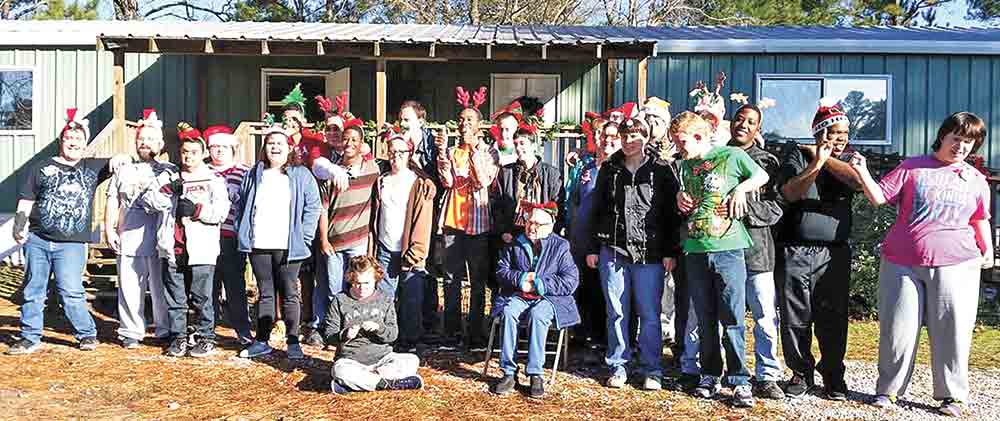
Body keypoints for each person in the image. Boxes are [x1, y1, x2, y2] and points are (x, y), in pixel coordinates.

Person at [850, 112, 993, 417]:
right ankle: (888, 391)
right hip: (902, 262)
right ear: (943, 136)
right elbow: (878, 197)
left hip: (959, 264)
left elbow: (980, 219)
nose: (961, 146)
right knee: (897, 329)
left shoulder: (976, 179)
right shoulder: (912, 167)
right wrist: (862, 171)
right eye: (956, 138)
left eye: (969, 142)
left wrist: (989, 253)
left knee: (953, 331)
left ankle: (952, 396)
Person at [6, 109, 121, 355]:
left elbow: (116, 161)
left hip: (71, 244)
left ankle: (87, 334)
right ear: (62, 141)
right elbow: (26, 200)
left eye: (79, 140)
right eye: (69, 139)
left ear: (85, 143)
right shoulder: (41, 167)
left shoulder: (92, 167)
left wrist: (122, 159)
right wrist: (19, 225)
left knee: (70, 290)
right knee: (33, 289)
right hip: (38, 240)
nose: (73, 143)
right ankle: (29, 336)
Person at [675, 111, 768, 407]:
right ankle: (710, 374)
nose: (679, 148)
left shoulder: (731, 155)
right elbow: (690, 197)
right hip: (696, 249)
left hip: (728, 248)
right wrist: (680, 197)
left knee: (732, 316)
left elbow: (761, 175)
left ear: (700, 137)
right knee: (704, 317)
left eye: (682, 142)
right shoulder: (686, 166)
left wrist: (741, 189)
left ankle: (740, 380)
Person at [776, 98, 863, 400]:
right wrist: (815, 162)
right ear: (819, 131)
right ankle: (800, 373)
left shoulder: (853, 161)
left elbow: (858, 184)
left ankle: (833, 376)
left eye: (844, 133)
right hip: (795, 249)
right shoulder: (796, 155)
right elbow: (790, 192)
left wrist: (824, 158)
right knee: (794, 316)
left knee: (833, 316)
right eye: (834, 132)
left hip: (834, 254)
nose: (840, 138)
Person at [586, 118, 681, 391]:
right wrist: (594, 248)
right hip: (613, 251)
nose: (630, 141)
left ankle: (652, 369)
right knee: (616, 311)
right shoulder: (610, 169)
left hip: (649, 253)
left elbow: (669, 215)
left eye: (636, 135)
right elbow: (597, 210)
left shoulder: (661, 169)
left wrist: (670, 251)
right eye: (626, 135)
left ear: (647, 137)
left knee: (650, 313)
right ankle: (618, 365)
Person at [142, 128, 230, 358]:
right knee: (176, 299)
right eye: (184, 152)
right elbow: (149, 201)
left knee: (202, 297)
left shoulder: (213, 180)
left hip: (201, 248)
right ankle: (178, 337)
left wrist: (197, 210)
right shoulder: (169, 177)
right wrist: (168, 191)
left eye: (193, 152)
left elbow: (221, 212)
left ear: (202, 154)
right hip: (173, 247)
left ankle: (205, 337)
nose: (188, 156)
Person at [236, 125, 321, 360]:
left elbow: (313, 206)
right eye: (270, 143)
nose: (274, 147)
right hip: (259, 243)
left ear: (289, 148)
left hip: (289, 246)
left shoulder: (301, 174)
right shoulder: (254, 173)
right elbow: (242, 204)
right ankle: (261, 340)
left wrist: (304, 237)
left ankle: (293, 342)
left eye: (279, 143)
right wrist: (243, 232)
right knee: (265, 293)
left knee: (290, 292)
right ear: (265, 147)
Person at [726, 104, 786, 399]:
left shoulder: (768, 163)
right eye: (739, 119)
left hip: (757, 250)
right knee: (727, 315)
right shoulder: (715, 157)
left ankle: (767, 374)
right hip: (722, 249)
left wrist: (742, 206)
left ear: (757, 129)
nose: (743, 125)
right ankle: (732, 371)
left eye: (751, 122)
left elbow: (776, 207)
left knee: (764, 316)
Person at [492, 203, 580, 398]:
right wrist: (521, 279)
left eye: (538, 224)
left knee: (538, 314)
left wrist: (540, 284)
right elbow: (501, 271)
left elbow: (570, 281)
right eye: (529, 222)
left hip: (549, 298)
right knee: (508, 312)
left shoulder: (561, 246)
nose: (531, 227)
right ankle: (508, 372)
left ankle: (535, 373)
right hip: (518, 295)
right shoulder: (516, 243)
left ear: (550, 226)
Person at [105, 109, 176, 349]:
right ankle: (131, 330)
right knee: (130, 285)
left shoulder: (169, 170)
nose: (145, 143)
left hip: (159, 238)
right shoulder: (124, 167)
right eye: (141, 139)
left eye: (150, 139)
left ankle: (164, 328)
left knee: (160, 286)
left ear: (161, 143)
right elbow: (112, 199)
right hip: (129, 236)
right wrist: (109, 229)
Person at [435, 86, 499, 351]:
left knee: (477, 282)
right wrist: (441, 155)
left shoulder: (489, 152)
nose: (463, 124)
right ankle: (450, 332)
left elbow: (483, 180)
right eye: (461, 120)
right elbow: (447, 181)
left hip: (478, 224)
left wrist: (474, 152)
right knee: (451, 279)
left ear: (479, 125)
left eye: (469, 120)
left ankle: (474, 334)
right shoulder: (452, 151)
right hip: (453, 222)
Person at [306, 125, 382, 346]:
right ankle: (333, 331)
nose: (349, 144)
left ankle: (356, 332)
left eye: (354, 140)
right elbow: (323, 208)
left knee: (358, 287)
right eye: (345, 140)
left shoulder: (371, 170)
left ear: (361, 144)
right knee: (332, 289)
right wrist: (323, 239)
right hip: (334, 241)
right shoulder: (332, 172)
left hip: (358, 241)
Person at [370, 134, 436, 351]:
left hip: (410, 249)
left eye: (401, 152)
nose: (396, 156)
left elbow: (423, 221)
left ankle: (410, 340)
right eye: (392, 152)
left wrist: (416, 253)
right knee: (385, 296)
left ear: (409, 155)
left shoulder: (418, 183)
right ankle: (386, 337)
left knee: (411, 297)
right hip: (385, 247)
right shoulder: (381, 180)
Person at [324, 255, 424, 394]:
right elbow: (329, 335)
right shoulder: (339, 300)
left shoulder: (385, 299)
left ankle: (355, 385)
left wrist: (379, 328)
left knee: (412, 360)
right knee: (339, 370)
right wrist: (345, 334)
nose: (362, 288)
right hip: (351, 360)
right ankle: (386, 384)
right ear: (351, 279)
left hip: (383, 359)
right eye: (357, 283)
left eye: (367, 283)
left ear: (376, 280)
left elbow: (393, 335)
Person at [567, 119, 616, 349]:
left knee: (602, 292)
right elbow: (575, 201)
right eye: (603, 136)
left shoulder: (617, 171)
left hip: (603, 242)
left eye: (612, 138)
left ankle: (603, 339)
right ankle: (581, 332)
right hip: (580, 238)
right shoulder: (587, 170)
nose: (607, 141)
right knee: (583, 287)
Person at [205, 125, 254, 345]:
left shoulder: (245, 172)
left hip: (231, 236)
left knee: (235, 286)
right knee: (208, 286)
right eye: (214, 147)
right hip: (205, 236)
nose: (219, 151)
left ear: (232, 148)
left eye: (223, 147)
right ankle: (208, 330)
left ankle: (242, 330)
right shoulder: (203, 172)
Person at [493, 128, 564, 243]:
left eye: (522, 143)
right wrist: (503, 231)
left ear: (533, 146)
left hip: (541, 232)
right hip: (513, 233)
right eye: (516, 144)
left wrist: (550, 232)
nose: (518, 148)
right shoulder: (506, 173)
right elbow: (498, 205)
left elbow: (557, 206)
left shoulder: (552, 174)